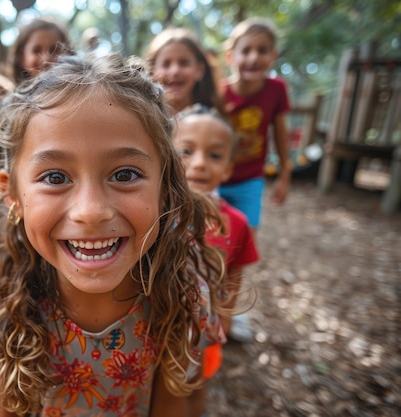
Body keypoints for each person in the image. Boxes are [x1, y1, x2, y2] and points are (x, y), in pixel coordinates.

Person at [0, 54, 226, 416]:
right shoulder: (9, 308)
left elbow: (178, 402)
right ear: (13, 196)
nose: (91, 211)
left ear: (166, 187)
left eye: (124, 174)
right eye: (55, 177)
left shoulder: (183, 298)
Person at [173, 106, 259, 415]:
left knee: (196, 382)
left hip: (203, 325)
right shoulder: (151, 213)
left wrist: (224, 316)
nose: (198, 164)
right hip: (155, 321)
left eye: (215, 155)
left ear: (228, 168)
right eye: (186, 150)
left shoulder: (236, 222)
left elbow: (234, 272)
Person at [220, 17, 291, 224]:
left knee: (246, 236)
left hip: (250, 180)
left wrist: (284, 175)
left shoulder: (277, 90)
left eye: (262, 50)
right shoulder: (218, 93)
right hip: (214, 178)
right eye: (246, 50)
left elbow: (280, 134)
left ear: (273, 56)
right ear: (230, 56)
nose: (253, 57)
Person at [146, 28, 222, 116]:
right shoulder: (143, 119)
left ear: (199, 70)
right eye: (166, 64)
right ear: (152, 70)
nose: (175, 71)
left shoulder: (211, 120)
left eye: (184, 63)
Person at [8, 17, 73, 85]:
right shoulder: (10, 95)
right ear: (21, 57)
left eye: (54, 50)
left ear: (67, 53)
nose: (46, 59)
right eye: (36, 51)